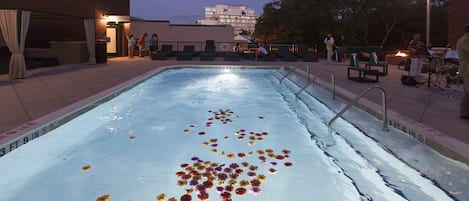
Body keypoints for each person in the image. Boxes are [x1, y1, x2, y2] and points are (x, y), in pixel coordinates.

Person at [457, 23, 469, 119]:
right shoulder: (465, 40)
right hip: (467, 70)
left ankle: (464, 113)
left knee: (467, 93)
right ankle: (464, 112)